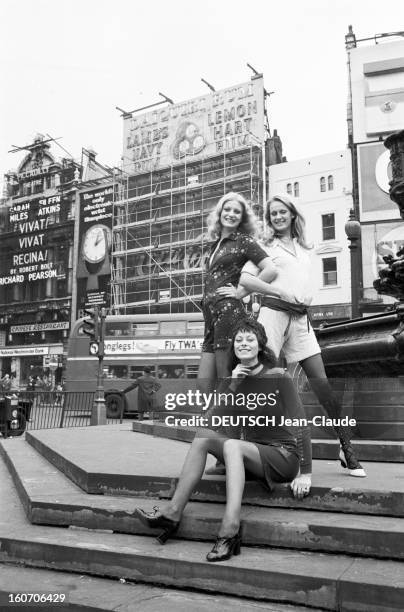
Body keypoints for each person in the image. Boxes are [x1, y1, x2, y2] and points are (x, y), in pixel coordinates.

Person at [134, 319, 312, 562]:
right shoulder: (232, 381)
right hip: (251, 454)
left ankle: (229, 530)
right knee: (203, 438)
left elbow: (301, 424)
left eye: (250, 339)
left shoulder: (278, 376)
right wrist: (233, 385)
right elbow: (208, 422)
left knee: (231, 445)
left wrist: (306, 473)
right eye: (239, 340)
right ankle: (172, 513)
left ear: (260, 346)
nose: (244, 344)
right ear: (234, 349)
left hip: (282, 456)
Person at [219, 193, 365, 477]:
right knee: (257, 383)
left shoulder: (305, 247)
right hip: (272, 316)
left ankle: (346, 447)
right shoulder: (265, 246)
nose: (278, 217)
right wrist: (278, 291)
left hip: (301, 319)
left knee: (322, 385)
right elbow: (246, 280)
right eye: (273, 213)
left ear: (293, 214)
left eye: (282, 212)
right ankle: (241, 450)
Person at [198, 192, 278, 382]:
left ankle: (232, 411)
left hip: (229, 315)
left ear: (242, 218)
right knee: (203, 384)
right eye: (227, 209)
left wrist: (241, 292)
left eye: (237, 212)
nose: (231, 214)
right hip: (210, 318)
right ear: (219, 213)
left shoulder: (243, 241)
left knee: (225, 379)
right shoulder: (214, 245)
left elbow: (270, 269)